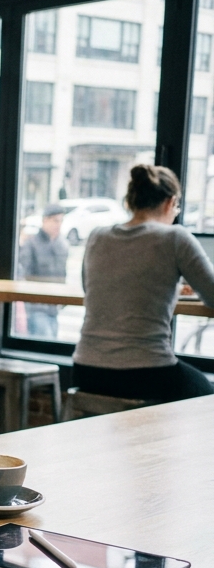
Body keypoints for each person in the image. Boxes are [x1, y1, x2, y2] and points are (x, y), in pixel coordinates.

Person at [72, 165, 214, 402]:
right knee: (207, 399)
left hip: (86, 370)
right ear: (171, 202)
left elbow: (91, 288)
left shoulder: (97, 236)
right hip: (145, 374)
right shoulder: (174, 238)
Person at [18, 203, 69, 338]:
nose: (58, 225)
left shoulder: (61, 245)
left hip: (53, 307)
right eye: (55, 221)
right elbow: (25, 274)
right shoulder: (32, 244)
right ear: (45, 220)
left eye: (61, 221)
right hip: (36, 307)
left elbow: (62, 275)